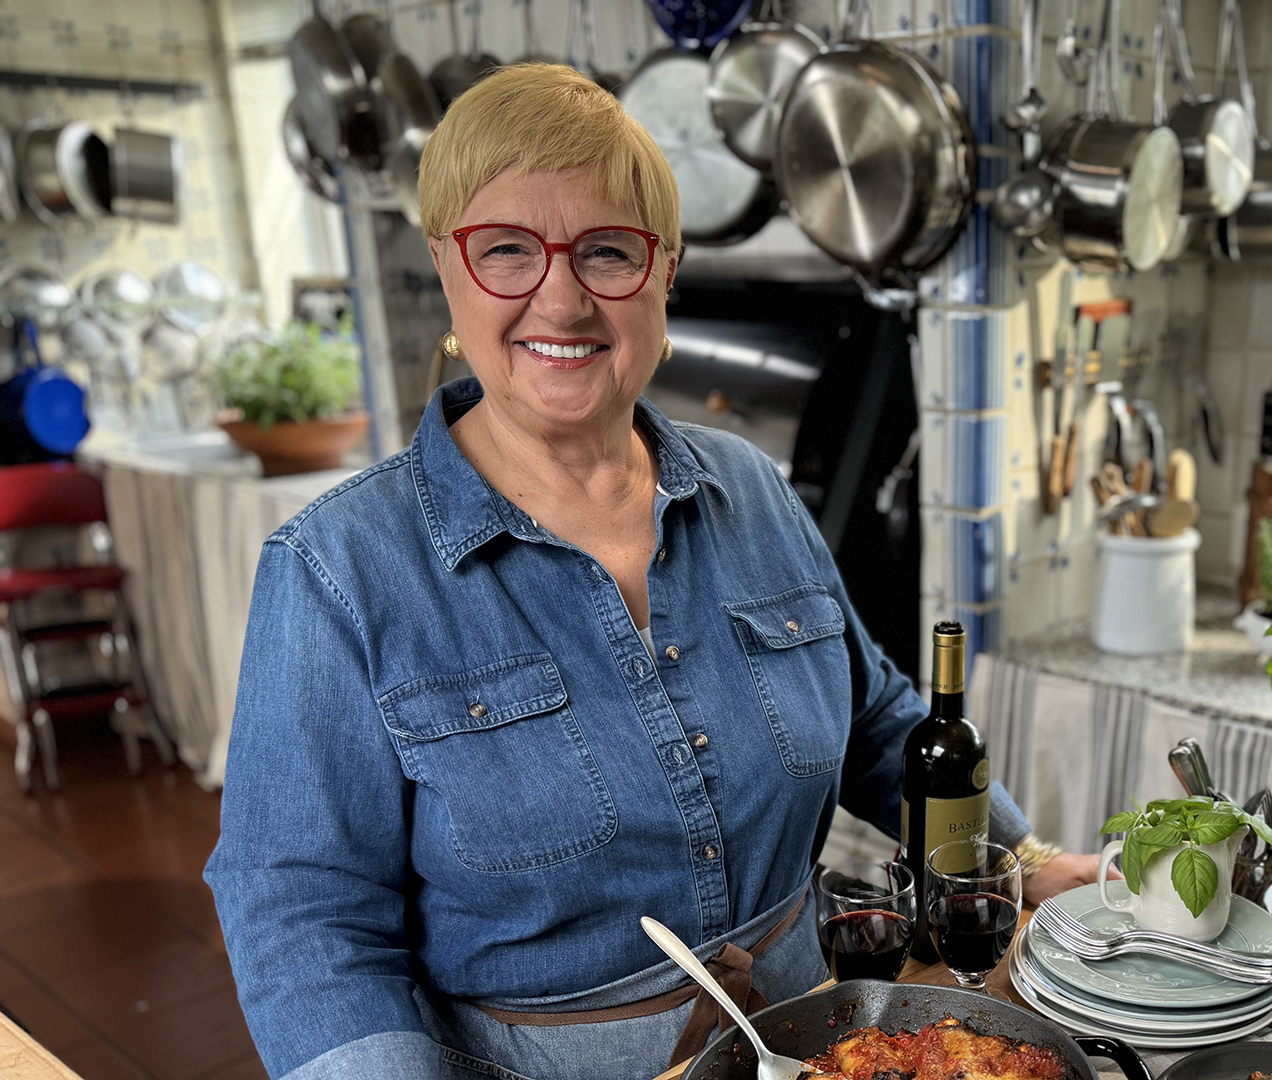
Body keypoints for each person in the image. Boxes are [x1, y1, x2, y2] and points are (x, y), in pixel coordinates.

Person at [205, 64, 1099, 1080]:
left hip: (819, 1050)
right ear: (447, 270)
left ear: (663, 273)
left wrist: (1018, 860)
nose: (562, 296)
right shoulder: (337, 571)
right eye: (506, 250)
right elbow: (305, 925)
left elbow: (882, 725)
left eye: (608, 253)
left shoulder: (752, 490)